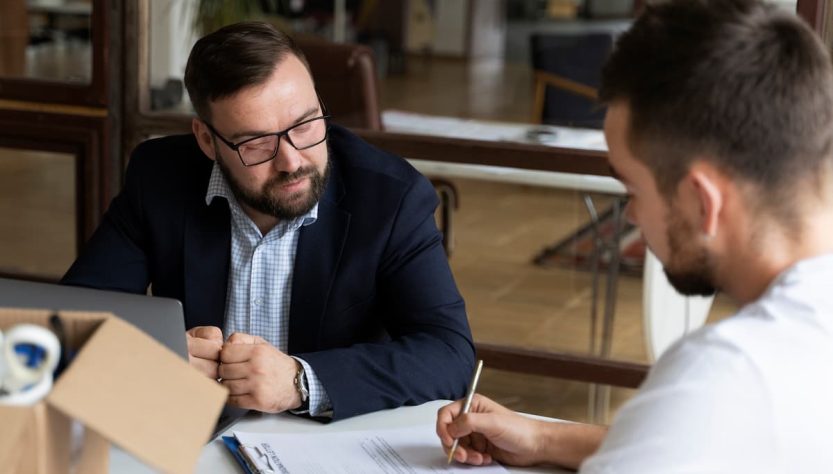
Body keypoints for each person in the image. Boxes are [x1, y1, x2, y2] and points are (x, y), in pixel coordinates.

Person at [437, 0, 833, 471]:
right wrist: (543, 438)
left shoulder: (725, 377)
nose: (630, 218)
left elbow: (703, 422)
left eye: (632, 190)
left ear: (703, 202)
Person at [62, 21, 475, 420]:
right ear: (207, 140)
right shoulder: (159, 177)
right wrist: (152, 357)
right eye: (257, 143)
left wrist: (301, 383)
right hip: (193, 434)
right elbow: (71, 321)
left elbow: (449, 354)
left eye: (306, 124)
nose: (292, 161)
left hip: (326, 444)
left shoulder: (390, 197)